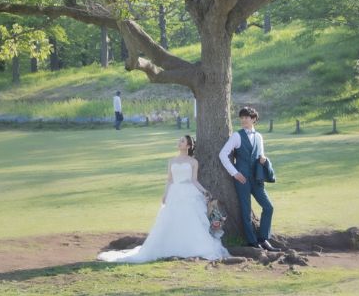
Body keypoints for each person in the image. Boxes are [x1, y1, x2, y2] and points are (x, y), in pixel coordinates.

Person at [98, 135, 230, 263]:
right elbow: (169, 180)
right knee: (171, 219)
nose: (179, 143)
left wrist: (204, 191)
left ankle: (192, 246)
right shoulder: (172, 161)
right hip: (175, 193)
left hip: (189, 192)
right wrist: (165, 194)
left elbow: (194, 180)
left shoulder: (193, 162)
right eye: (179, 141)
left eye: (182, 141)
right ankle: (170, 246)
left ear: (188, 146)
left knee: (190, 220)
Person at [218, 105, 277, 251]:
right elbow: (222, 154)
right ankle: (252, 241)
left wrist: (264, 159)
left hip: (257, 179)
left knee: (268, 207)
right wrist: (234, 173)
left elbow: (259, 155)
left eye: (246, 117)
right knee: (245, 211)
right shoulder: (237, 136)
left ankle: (263, 238)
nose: (243, 120)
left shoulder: (259, 136)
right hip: (242, 179)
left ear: (253, 119)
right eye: (242, 118)